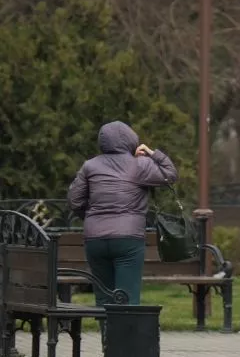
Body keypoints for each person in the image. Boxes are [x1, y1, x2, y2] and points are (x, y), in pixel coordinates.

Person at [67, 121, 178, 307]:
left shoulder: (89, 166)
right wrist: (152, 153)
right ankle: (125, 336)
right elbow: (170, 175)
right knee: (127, 298)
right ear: (130, 140)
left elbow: (74, 201)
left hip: (95, 240)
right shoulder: (140, 165)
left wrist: (93, 217)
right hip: (128, 240)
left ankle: (107, 336)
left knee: (103, 299)